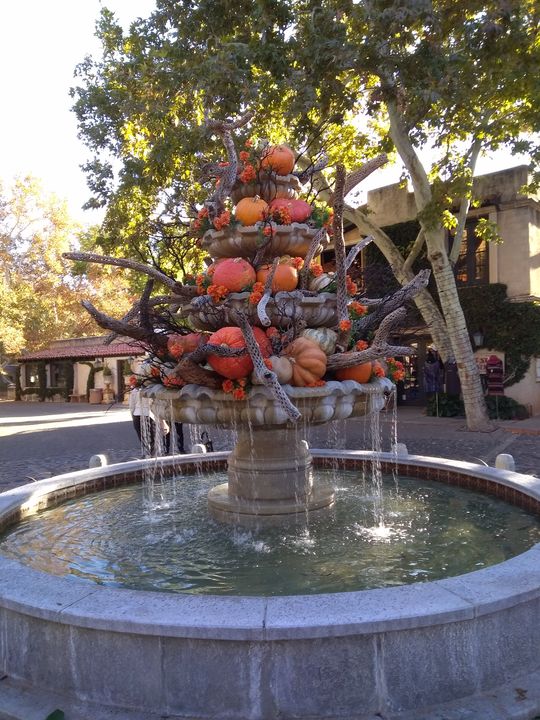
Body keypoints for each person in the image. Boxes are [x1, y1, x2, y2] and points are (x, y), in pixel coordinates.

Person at [128, 377, 169, 456]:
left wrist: (133, 417)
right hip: (149, 415)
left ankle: (146, 454)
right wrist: (161, 421)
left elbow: (131, 406)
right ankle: (153, 455)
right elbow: (155, 406)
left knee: (142, 437)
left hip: (137, 415)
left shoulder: (134, 392)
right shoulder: (152, 391)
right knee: (152, 437)